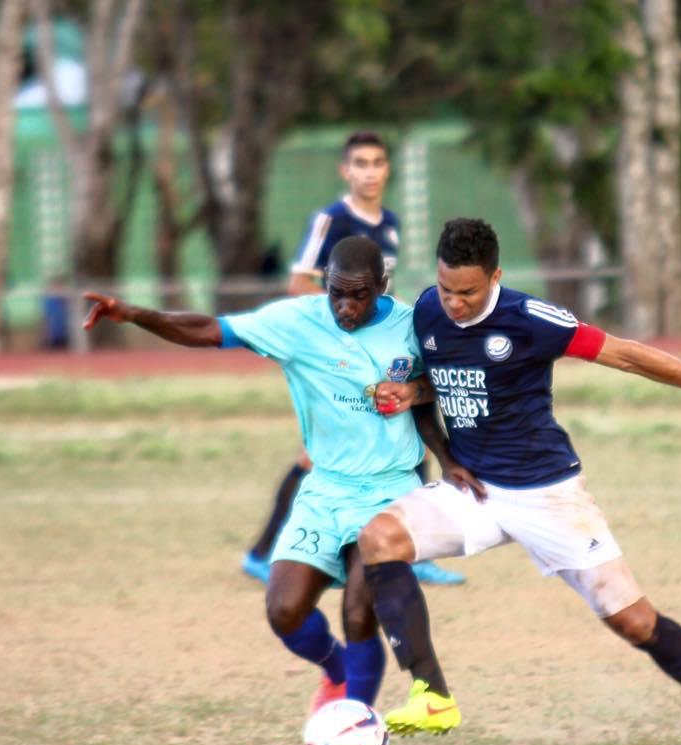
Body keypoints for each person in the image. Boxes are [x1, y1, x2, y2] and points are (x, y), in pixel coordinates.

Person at [357, 217, 681, 745]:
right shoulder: (428, 308)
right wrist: (426, 419)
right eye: (447, 289)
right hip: (473, 490)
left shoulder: (530, 319)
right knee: (378, 538)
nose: (454, 303)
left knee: (635, 622)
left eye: (468, 292)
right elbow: (439, 381)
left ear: (496, 275)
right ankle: (432, 695)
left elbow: (629, 355)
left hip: (547, 493)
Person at [82, 236, 452, 715]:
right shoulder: (297, 323)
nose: (345, 306)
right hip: (327, 488)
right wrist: (134, 315)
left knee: (359, 612)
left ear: (382, 285)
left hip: (390, 490)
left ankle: (355, 720)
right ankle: (337, 672)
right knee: (283, 611)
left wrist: (412, 390)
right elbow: (207, 330)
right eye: (336, 292)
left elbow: (445, 383)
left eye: (358, 294)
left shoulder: (410, 326)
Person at [241, 130, 464, 588]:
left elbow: (384, 293)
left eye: (377, 162)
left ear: (387, 170)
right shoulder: (331, 219)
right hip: (336, 361)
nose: (369, 171)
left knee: (406, 439)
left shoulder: (391, 224)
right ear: (346, 171)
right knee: (314, 458)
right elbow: (299, 284)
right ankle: (264, 553)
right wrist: (342, 330)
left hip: (379, 357)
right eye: (360, 163)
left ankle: (409, 551)